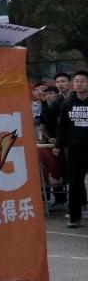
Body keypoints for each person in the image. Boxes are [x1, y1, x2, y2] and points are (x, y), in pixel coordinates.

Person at [57, 71, 88, 228]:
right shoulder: (67, 104)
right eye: (77, 81)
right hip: (75, 150)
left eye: (83, 80)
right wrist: (59, 145)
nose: (79, 83)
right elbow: (63, 127)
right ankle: (74, 218)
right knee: (75, 184)